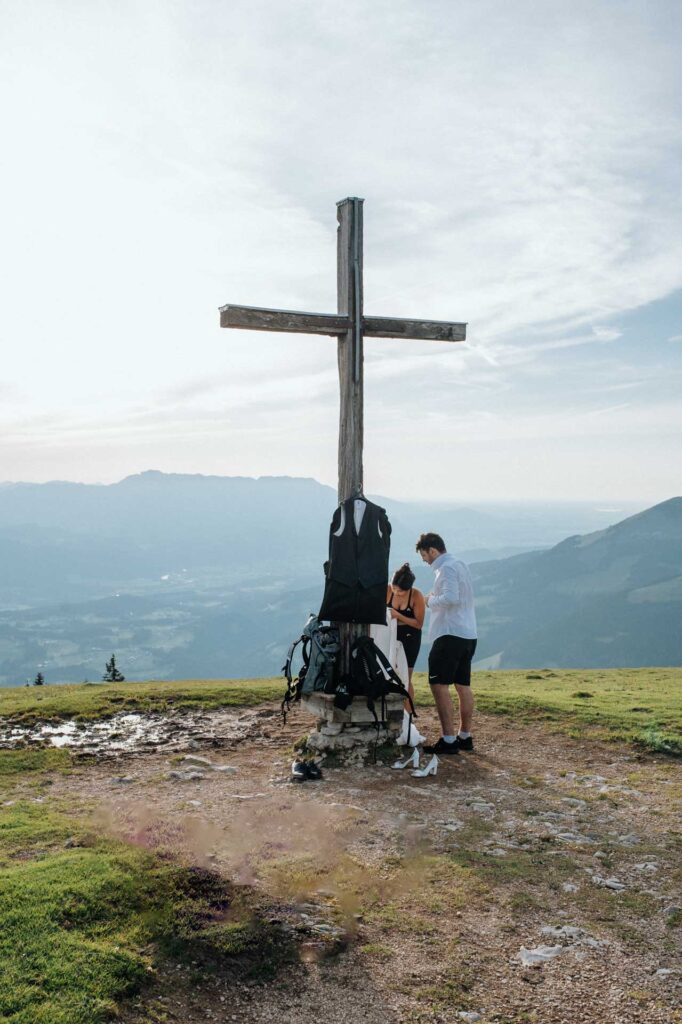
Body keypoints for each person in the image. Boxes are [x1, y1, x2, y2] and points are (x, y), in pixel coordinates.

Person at [416, 532, 477, 755]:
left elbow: (452, 598)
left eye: (425, 555)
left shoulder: (446, 568)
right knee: (462, 684)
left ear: (433, 550)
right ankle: (465, 737)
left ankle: (448, 739)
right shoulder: (460, 564)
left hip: (449, 633)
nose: (425, 560)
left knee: (439, 685)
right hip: (468, 632)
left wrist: (428, 600)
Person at [386, 562, 425, 702]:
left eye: (400, 591)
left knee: (405, 677)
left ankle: (409, 715)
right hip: (389, 634)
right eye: (394, 588)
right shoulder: (388, 590)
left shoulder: (416, 596)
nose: (396, 592)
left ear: (408, 589)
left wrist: (399, 616)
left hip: (410, 637)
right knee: (387, 673)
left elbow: (418, 624)